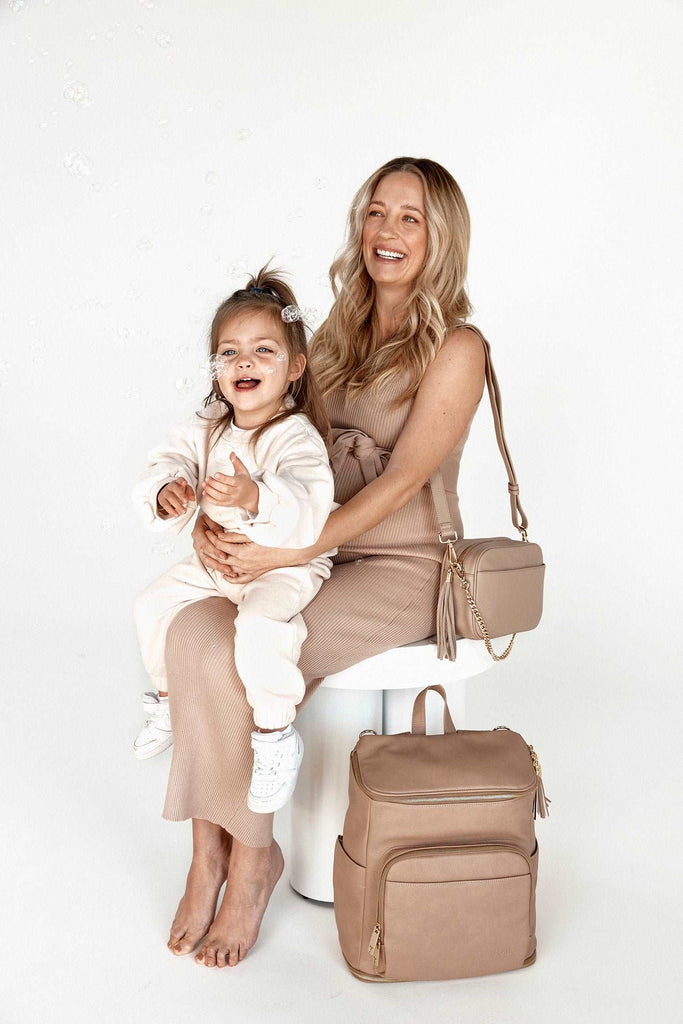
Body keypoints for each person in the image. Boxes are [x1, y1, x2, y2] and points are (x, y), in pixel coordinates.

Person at [160, 157, 487, 969]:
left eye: (410, 218)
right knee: (191, 633)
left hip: (401, 567)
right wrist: (215, 522)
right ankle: (207, 856)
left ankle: (250, 864)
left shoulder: (459, 346)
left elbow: (405, 479)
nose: (388, 232)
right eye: (377, 213)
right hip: (310, 547)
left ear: (439, 236)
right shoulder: (335, 327)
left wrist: (288, 547)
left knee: (243, 656)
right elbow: (258, 439)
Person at [131, 269, 337, 814]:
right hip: (221, 563)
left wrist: (255, 499)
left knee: (260, 628)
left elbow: (310, 507)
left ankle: (274, 735)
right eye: (230, 352)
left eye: (263, 350)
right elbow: (169, 459)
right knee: (152, 603)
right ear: (215, 367)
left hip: (283, 567)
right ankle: (168, 699)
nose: (244, 363)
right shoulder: (209, 424)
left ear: (294, 367)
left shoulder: (294, 436)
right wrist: (168, 490)